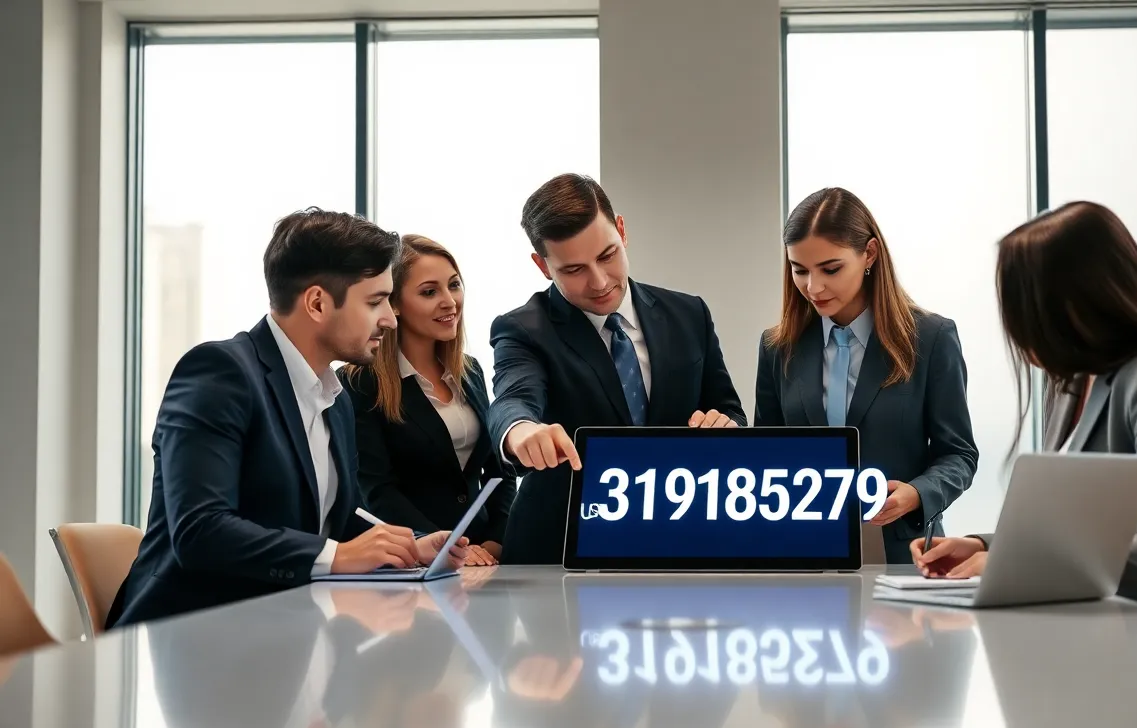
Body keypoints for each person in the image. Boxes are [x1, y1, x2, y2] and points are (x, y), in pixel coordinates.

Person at [107, 209, 470, 629]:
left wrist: (409, 547)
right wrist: (340, 555)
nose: (390, 318)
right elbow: (201, 531)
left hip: (290, 630)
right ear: (317, 303)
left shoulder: (336, 399)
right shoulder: (219, 373)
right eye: (375, 301)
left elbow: (334, 518)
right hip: (194, 635)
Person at [911, 201, 1137, 629]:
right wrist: (980, 545)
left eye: (1027, 313)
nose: (1020, 332)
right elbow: (1072, 534)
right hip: (1100, 625)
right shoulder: (1072, 381)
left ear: (1077, 302)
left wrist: (1006, 564)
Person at [487, 173, 746, 564]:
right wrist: (521, 431)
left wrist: (725, 426)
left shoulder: (689, 314)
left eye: (607, 255)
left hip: (683, 537)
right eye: (573, 270)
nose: (600, 281)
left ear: (621, 230)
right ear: (543, 266)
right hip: (561, 548)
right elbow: (514, 399)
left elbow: (729, 410)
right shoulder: (523, 329)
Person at [755, 187, 978, 564]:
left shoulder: (931, 338)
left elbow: (958, 454)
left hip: (901, 553)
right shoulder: (778, 347)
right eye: (799, 270)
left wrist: (917, 493)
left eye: (831, 269)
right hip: (802, 553)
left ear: (869, 254)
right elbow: (767, 455)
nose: (813, 287)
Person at [339, 234, 515, 566]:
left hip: (483, 558)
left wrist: (495, 540)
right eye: (429, 292)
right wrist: (443, 547)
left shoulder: (470, 371)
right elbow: (376, 489)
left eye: (454, 285)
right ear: (394, 304)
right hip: (411, 558)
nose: (450, 301)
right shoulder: (361, 381)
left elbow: (500, 472)